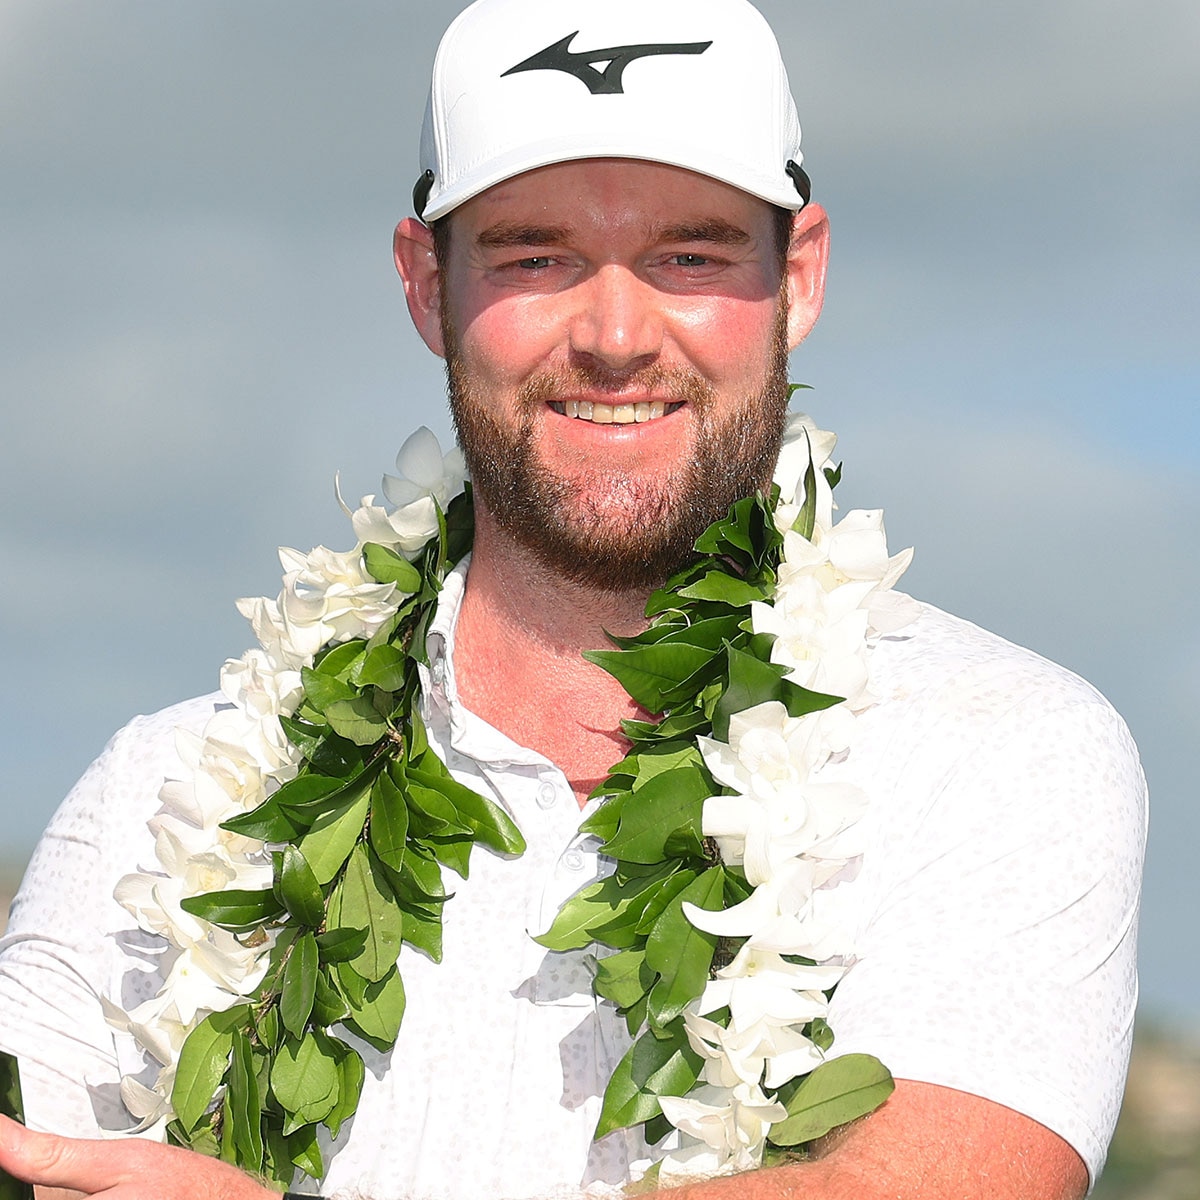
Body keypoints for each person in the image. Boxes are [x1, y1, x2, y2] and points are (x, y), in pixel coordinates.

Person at [0, 0, 1146, 1197]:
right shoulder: (167, 798)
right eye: (534, 256)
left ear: (798, 277)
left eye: (688, 257)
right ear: (423, 283)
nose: (613, 335)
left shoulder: (1001, 749)